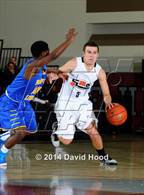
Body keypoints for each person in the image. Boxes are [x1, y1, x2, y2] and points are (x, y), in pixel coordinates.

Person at [0, 28, 77, 167]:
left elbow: (47, 69)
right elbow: (54, 56)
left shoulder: (41, 67)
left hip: (24, 103)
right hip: (10, 103)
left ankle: (3, 136)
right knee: (20, 133)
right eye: (47, 51)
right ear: (44, 53)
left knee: (30, 130)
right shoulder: (31, 66)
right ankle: (1, 154)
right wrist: (69, 41)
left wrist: (58, 73)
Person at [51, 41, 118, 166]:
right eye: (89, 52)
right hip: (66, 102)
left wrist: (108, 102)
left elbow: (106, 94)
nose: (91, 55)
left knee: (93, 130)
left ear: (97, 55)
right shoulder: (74, 63)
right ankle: (56, 130)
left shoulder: (99, 71)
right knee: (67, 141)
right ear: (84, 53)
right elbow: (59, 71)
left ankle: (104, 158)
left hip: (82, 103)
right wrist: (54, 75)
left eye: (94, 52)